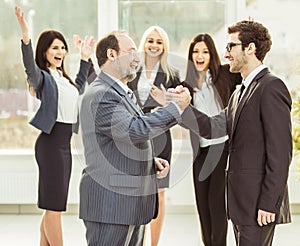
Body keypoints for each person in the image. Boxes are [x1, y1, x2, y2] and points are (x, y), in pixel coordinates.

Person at [178, 20, 292, 245]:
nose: (226, 53)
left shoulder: (271, 87)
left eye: (231, 46)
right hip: (240, 205)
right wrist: (183, 107)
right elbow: (212, 128)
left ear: (250, 49)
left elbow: (280, 153)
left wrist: (269, 203)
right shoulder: (239, 93)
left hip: (259, 205)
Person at [79, 30, 190, 246]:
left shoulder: (121, 92)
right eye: (131, 52)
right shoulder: (102, 94)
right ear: (112, 55)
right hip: (110, 205)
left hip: (127, 204)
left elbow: (121, 139)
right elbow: (135, 130)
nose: (137, 59)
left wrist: (150, 161)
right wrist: (176, 107)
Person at [14, 6, 95, 246]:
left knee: (54, 205)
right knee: (55, 207)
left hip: (64, 145)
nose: (59, 51)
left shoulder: (63, 78)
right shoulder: (42, 78)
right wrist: (25, 34)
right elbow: (29, 65)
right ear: (45, 52)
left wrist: (85, 58)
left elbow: (79, 87)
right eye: (54, 47)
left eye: (62, 47)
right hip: (50, 145)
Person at [181, 33, 242, 246]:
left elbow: (247, 69)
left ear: (212, 54)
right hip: (201, 152)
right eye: (196, 51)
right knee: (203, 207)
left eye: (205, 51)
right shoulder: (185, 86)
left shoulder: (225, 74)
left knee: (217, 205)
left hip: (222, 148)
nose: (200, 56)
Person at [127, 25, 181, 246]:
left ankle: (154, 244)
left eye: (159, 42)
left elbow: (181, 109)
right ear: (144, 43)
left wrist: (165, 104)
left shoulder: (172, 74)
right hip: (135, 135)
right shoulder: (131, 70)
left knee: (158, 193)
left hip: (160, 137)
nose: (154, 45)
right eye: (150, 40)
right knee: (136, 192)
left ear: (164, 46)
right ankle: (135, 240)